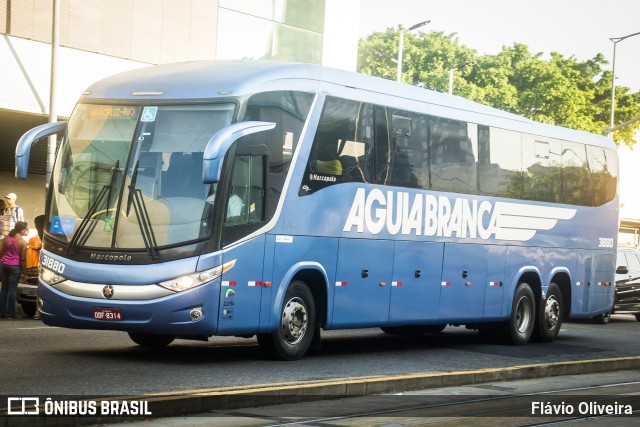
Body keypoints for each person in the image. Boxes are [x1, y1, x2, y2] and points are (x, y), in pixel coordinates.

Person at [0, 221, 29, 319]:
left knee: (4, 288)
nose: (27, 230)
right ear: (22, 230)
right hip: (15, 267)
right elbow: (23, 259)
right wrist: (25, 272)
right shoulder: (23, 242)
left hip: (3, 264)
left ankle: (1, 312)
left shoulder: (6, 238)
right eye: (26, 229)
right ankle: (10, 313)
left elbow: (0, 251)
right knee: (12, 289)